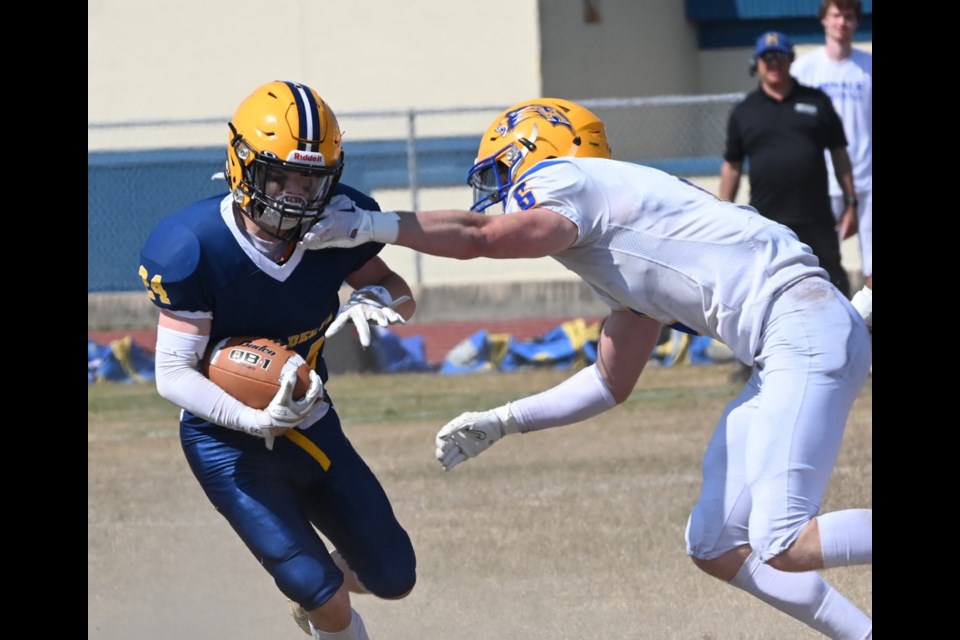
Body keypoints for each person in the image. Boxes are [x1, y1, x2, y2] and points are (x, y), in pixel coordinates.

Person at [301, 98, 873, 639]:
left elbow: (484, 237)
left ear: (542, 149)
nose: (502, 193)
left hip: (798, 329)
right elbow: (610, 381)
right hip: (792, 338)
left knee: (782, 539)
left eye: (505, 172)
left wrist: (374, 226)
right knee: (716, 543)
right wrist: (505, 418)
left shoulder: (568, 180)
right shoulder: (622, 223)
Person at [138, 80, 418, 640]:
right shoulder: (192, 246)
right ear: (242, 165)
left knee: (393, 576)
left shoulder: (343, 221)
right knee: (325, 598)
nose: (294, 195)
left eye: (310, 180)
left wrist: (378, 298)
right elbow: (171, 373)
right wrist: (253, 419)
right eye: (280, 176)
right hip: (225, 441)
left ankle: (324, 589)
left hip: (311, 423)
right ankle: (321, 605)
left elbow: (397, 288)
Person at [719, 31, 858, 300]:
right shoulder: (744, 111)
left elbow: (840, 155)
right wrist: (723, 212)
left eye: (780, 56)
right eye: (767, 58)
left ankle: (844, 339)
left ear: (790, 59)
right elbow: (732, 166)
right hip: (767, 220)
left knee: (832, 284)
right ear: (756, 64)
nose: (774, 63)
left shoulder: (817, 101)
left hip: (816, 218)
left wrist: (851, 203)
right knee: (769, 288)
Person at [792, 0, 872, 335]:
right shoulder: (805, 69)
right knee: (814, 264)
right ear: (824, 20)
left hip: (867, 180)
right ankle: (821, 335)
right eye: (836, 15)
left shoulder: (867, 66)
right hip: (819, 185)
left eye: (849, 16)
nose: (843, 22)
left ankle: (861, 342)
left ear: (856, 22)